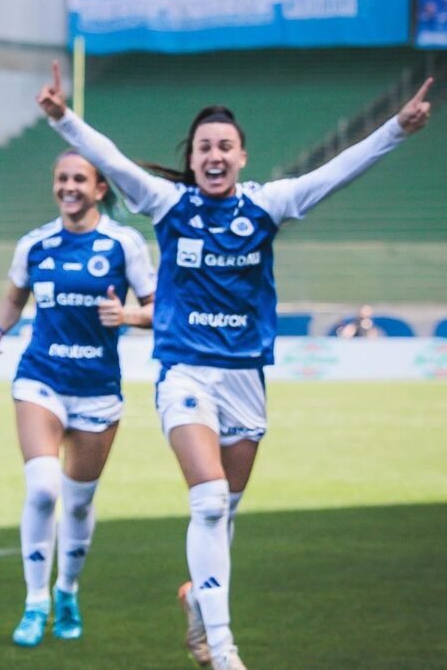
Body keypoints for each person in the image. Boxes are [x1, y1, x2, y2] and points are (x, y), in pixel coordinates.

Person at [38, 61, 433, 669]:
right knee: (209, 500)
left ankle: (200, 596)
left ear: (242, 156)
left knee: (226, 516)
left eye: (225, 146)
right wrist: (65, 120)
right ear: (192, 159)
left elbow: (336, 173)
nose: (214, 155)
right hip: (184, 373)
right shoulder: (169, 205)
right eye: (204, 147)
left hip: (245, 379)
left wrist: (397, 130)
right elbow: (113, 161)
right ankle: (223, 651)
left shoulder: (268, 205)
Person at [0, 150, 155, 647]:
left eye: (80, 178)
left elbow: (157, 307)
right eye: (62, 178)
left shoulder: (124, 244)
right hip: (41, 378)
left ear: (100, 188)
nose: (69, 186)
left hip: (98, 389)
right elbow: (16, 296)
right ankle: (35, 601)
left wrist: (128, 317)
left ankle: (68, 590)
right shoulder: (35, 244)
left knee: (78, 505)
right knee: (42, 488)